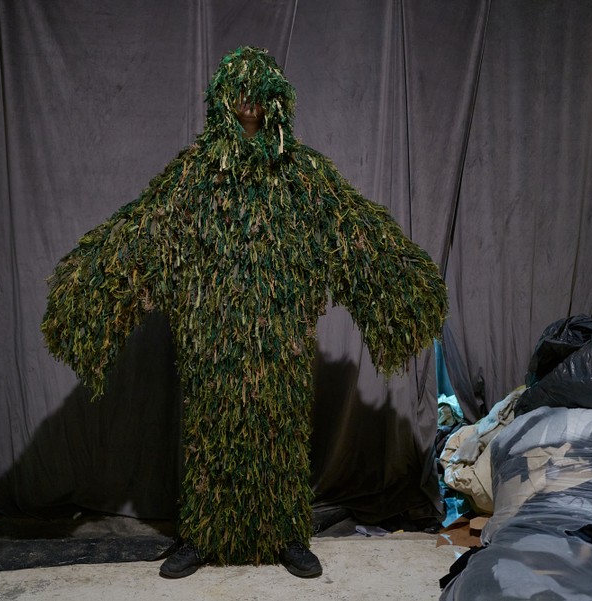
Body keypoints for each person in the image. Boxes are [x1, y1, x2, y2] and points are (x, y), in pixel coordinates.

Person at [42, 46, 448, 578]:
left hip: (281, 334)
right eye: (239, 92)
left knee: (279, 431)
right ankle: (202, 537)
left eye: (259, 93)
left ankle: (286, 535)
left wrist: (404, 288)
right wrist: (87, 289)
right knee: (211, 434)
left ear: (275, 100)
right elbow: (143, 230)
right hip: (210, 334)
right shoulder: (194, 176)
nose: (249, 103)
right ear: (223, 101)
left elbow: (355, 231)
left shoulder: (304, 177)